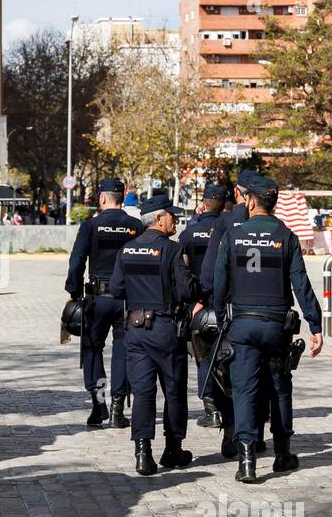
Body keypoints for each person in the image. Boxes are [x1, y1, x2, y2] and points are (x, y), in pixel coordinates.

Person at [211, 172, 324, 484]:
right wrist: (315, 324)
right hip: (276, 325)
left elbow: (220, 280)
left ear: (249, 200)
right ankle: (283, 453)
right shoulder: (285, 236)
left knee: (244, 389)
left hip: (242, 324)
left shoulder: (233, 235)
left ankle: (246, 459)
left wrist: (220, 315)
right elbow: (301, 283)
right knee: (279, 387)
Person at [109, 194, 197, 475]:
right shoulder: (172, 250)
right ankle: (172, 450)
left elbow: (116, 289)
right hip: (165, 329)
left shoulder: (127, 249)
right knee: (173, 390)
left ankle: (142, 454)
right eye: (172, 215)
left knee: (143, 392)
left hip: (135, 330)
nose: (176, 220)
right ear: (159, 218)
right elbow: (185, 292)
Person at [198, 172, 269, 456]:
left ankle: (231, 432)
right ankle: (257, 434)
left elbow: (212, 270)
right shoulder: (274, 224)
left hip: (232, 310)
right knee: (262, 373)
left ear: (240, 193)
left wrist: (206, 299)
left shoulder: (225, 223)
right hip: (267, 309)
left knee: (229, 371)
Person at [65, 178, 142, 428]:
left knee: (92, 349)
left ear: (102, 198)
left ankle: (99, 405)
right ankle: (118, 408)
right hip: (126, 299)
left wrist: (73, 292)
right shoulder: (135, 225)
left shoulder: (91, 226)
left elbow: (77, 261)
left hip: (97, 299)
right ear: (122, 197)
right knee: (122, 351)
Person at [180, 183, 229, 428]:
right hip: (227, 301)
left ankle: (211, 409)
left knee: (204, 356)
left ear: (203, 203)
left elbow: (181, 269)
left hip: (199, 302)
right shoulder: (231, 228)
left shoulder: (189, 233)